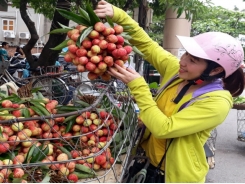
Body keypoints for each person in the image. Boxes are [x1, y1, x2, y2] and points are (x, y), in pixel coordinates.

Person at [95, 1, 245, 183]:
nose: (183, 61)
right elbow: (148, 46)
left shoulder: (217, 102)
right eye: (185, 54)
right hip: (147, 161)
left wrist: (139, 86)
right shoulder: (177, 72)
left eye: (193, 60)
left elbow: (164, 128)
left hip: (174, 176)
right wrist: (119, 15)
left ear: (214, 71)